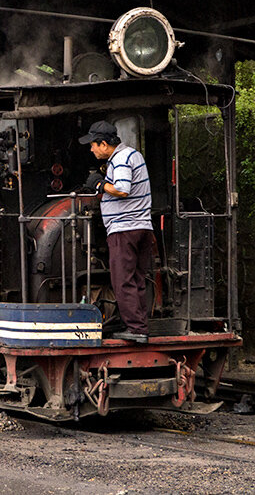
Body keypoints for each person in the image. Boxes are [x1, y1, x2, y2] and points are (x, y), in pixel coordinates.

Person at [79, 120, 154, 343]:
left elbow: (122, 189)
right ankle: (136, 324)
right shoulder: (134, 154)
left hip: (125, 228)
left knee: (122, 280)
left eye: (93, 145)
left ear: (103, 144)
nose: (91, 149)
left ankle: (136, 330)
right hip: (142, 226)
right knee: (137, 279)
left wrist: (99, 185)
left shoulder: (120, 159)